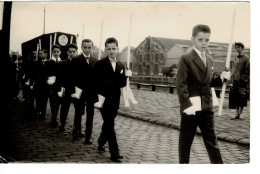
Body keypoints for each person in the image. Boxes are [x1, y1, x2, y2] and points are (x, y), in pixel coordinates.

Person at [176, 24, 229, 164]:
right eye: (201, 40)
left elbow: (209, 82)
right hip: (191, 109)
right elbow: (181, 84)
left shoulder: (210, 59)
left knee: (212, 142)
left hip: (206, 107)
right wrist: (186, 106)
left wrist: (221, 79)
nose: (204, 43)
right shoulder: (186, 58)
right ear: (192, 39)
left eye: (207, 40)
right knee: (185, 143)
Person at [94, 37, 132, 162]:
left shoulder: (122, 65)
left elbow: (122, 85)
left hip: (115, 100)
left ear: (118, 49)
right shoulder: (99, 64)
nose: (111, 51)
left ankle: (101, 140)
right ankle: (114, 152)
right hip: (103, 99)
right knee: (110, 124)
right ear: (105, 49)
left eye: (113, 49)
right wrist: (98, 99)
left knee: (108, 124)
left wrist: (127, 76)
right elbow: (95, 83)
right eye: (109, 49)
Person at [70, 39, 97, 142]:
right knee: (78, 112)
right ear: (81, 47)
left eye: (89, 47)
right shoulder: (76, 60)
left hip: (91, 92)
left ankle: (88, 136)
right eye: (85, 47)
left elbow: (97, 78)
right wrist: (74, 91)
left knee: (90, 114)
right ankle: (76, 132)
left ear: (92, 48)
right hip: (79, 91)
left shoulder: (95, 61)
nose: (87, 49)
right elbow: (72, 77)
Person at [58, 43, 78, 132]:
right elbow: (60, 77)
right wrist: (62, 89)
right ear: (67, 52)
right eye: (70, 51)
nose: (72, 53)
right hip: (66, 88)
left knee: (78, 110)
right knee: (64, 108)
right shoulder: (63, 63)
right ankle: (62, 125)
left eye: (74, 51)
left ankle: (76, 129)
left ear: (77, 52)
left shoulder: (80, 63)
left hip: (77, 89)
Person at [229, 42, 250, 119]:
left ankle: (241, 113)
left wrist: (244, 78)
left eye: (238, 47)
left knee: (242, 97)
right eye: (236, 48)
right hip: (236, 80)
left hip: (242, 81)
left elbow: (248, 70)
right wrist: (231, 78)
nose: (237, 49)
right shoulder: (236, 58)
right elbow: (234, 69)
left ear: (242, 47)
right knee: (235, 97)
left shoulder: (246, 58)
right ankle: (236, 113)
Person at [44, 44, 62, 127]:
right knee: (52, 101)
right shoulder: (48, 62)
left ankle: (54, 117)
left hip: (59, 86)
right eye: (54, 51)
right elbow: (44, 74)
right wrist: (47, 80)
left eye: (57, 51)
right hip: (51, 85)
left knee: (58, 102)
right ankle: (54, 119)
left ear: (60, 52)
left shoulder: (62, 62)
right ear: (52, 52)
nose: (56, 53)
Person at [35, 49, 49, 120]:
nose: (40, 55)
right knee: (38, 98)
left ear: (46, 54)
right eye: (39, 54)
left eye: (41, 53)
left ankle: (43, 113)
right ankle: (38, 111)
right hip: (38, 84)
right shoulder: (37, 62)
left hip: (46, 85)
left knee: (44, 99)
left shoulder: (49, 62)